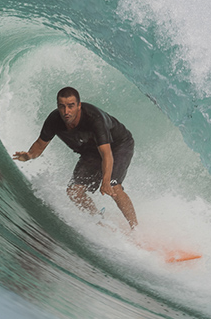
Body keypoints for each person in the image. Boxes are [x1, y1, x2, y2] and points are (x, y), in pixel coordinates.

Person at [13, 87, 138, 229]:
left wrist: (106, 181)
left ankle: (135, 229)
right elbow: (40, 145)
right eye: (62, 107)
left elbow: (106, 154)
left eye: (71, 106)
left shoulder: (94, 119)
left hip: (117, 145)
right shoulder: (54, 120)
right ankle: (101, 222)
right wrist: (29, 155)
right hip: (91, 151)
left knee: (114, 186)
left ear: (79, 105)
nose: (66, 111)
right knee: (74, 191)